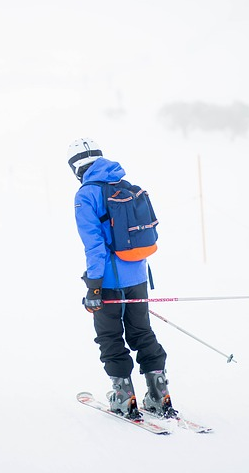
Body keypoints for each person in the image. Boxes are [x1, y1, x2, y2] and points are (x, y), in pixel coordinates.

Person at [68, 137, 176, 419]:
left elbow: (94, 246)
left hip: (108, 281)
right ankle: (159, 394)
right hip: (138, 275)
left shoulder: (85, 195)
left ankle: (123, 397)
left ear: (76, 167)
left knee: (110, 336)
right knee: (141, 332)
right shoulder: (125, 186)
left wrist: (94, 287)